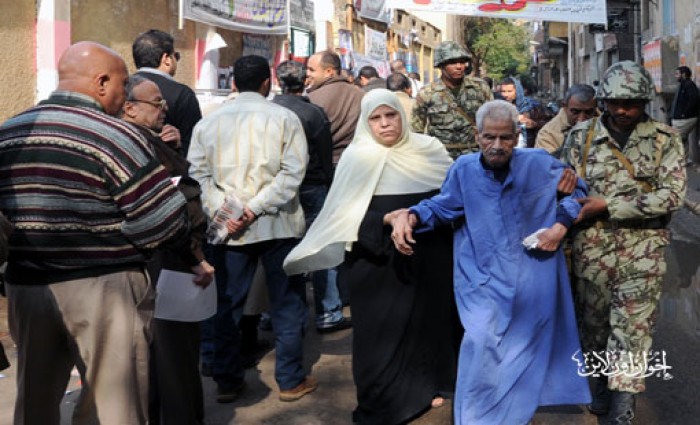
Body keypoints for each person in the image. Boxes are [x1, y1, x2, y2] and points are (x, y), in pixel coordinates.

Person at [0, 41, 190, 425]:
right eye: (123, 83)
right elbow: (166, 220)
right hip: (105, 289)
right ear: (102, 82)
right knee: (114, 408)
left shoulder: (8, 132)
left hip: (27, 288)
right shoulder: (116, 134)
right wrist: (125, 235)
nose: (125, 94)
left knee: (34, 401)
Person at [390, 99, 591, 425]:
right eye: (489, 137)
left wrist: (560, 224)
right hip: (480, 280)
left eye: (505, 137)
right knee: (480, 347)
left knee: (523, 355)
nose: (497, 145)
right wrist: (412, 215)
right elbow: (443, 206)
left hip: (532, 280)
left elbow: (579, 193)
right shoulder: (464, 169)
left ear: (517, 136)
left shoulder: (539, 163)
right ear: (477, 135)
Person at [284, 89, 461, 425]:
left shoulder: (430, 150)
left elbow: (454, 199)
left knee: (428, 326)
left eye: (390, 115)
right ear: (365, 123)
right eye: (375, 118)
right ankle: (381, 405)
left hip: (430, 258)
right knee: (379, 336)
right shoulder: (356, 158)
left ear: (402, 115)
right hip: (376, 262)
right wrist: (386, 219)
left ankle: (425, 389)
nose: (384, 124)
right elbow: (340, 217)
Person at [560, 61, 687, 425]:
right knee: (595, 328)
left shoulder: (665, 139)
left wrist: (608, 205)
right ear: (604, 100)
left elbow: (672, 196)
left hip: (643, 251)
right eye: (615, 102)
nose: (622, 110)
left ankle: (623, 407)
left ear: (644, 101)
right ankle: (600, 387)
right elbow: (566, 193)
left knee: (633, 331)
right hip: (591, 251)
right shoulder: (580, 137)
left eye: (630, 103)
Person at [188, 55, 315, 403]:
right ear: (267, 83)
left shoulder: (208, 123)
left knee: (227, 304)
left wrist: (227, 210)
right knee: (286, 303)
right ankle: (290, 379)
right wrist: (255, 208)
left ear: (233, 83)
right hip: (278, 224)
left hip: (229, 228)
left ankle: (228, 381)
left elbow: (198, 176)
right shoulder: (285, 118)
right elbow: (293, 174)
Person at [121, 75, 214, 425]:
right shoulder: (135, 146)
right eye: (157, 102)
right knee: (172, 356)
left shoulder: (146, 141)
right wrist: (196, 258)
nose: (165, 108)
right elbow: (173, 209)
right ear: (130, 108)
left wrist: (171, 149)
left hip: (154, 263)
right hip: (166, 262)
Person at [272, 60, 351, 333]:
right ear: (304, 81)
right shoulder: (313, 113)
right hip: (313, 185)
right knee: (320, 249)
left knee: (279, 249)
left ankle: (274, 313)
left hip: (278, 190)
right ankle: (327, 312)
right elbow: (325, 153)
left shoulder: (270, 111)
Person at [411, 41, 493, 159]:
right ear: (441, 65)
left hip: (474, 155)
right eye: (453, 62)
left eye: (462, 62)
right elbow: (416, 131)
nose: (459, 67)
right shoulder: (427, 93)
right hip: (441, 157)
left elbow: (493, 120)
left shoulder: (480, 87)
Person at [133, 29, 202, 156]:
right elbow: (195, 146)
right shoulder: (182, 94)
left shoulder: (121, 87)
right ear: (167, 59)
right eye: (176, 56)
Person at [306, 50, 365, 165]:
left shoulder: (313, 98)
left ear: (329, 72)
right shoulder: (361, 95)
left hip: (326, 164)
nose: (307, 73)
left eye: (312, 70)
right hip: (355, 162)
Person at [535, 84, 598, 154]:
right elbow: (551, 160)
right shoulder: (547, 134)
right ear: (564, 106)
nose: (581, 119)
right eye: (575, 112)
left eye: (588, 112)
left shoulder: (603, 122)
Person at [670, 66, 700, 165]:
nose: (676, 76)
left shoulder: (689, 84)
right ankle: (684, 160)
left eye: (677, 74)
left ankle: (678, 160)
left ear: (683, 74)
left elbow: (694, 99)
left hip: (686, 118)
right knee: (682, 139)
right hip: (680, 118)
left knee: (675, 137)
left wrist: (685, 113)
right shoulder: (682, 85)